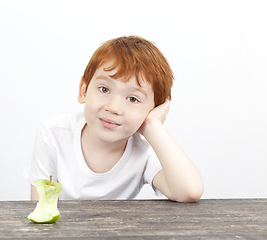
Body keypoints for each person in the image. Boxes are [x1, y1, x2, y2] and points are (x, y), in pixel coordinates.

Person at [23, 36, 204, 202]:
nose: (113, 108)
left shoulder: (144, 152)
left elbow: (189, 191)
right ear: (83, 89)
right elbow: (40, 210)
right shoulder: (53, 134)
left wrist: (152, 125)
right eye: (104, 89)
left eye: (133, 99)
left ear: (153, 110)